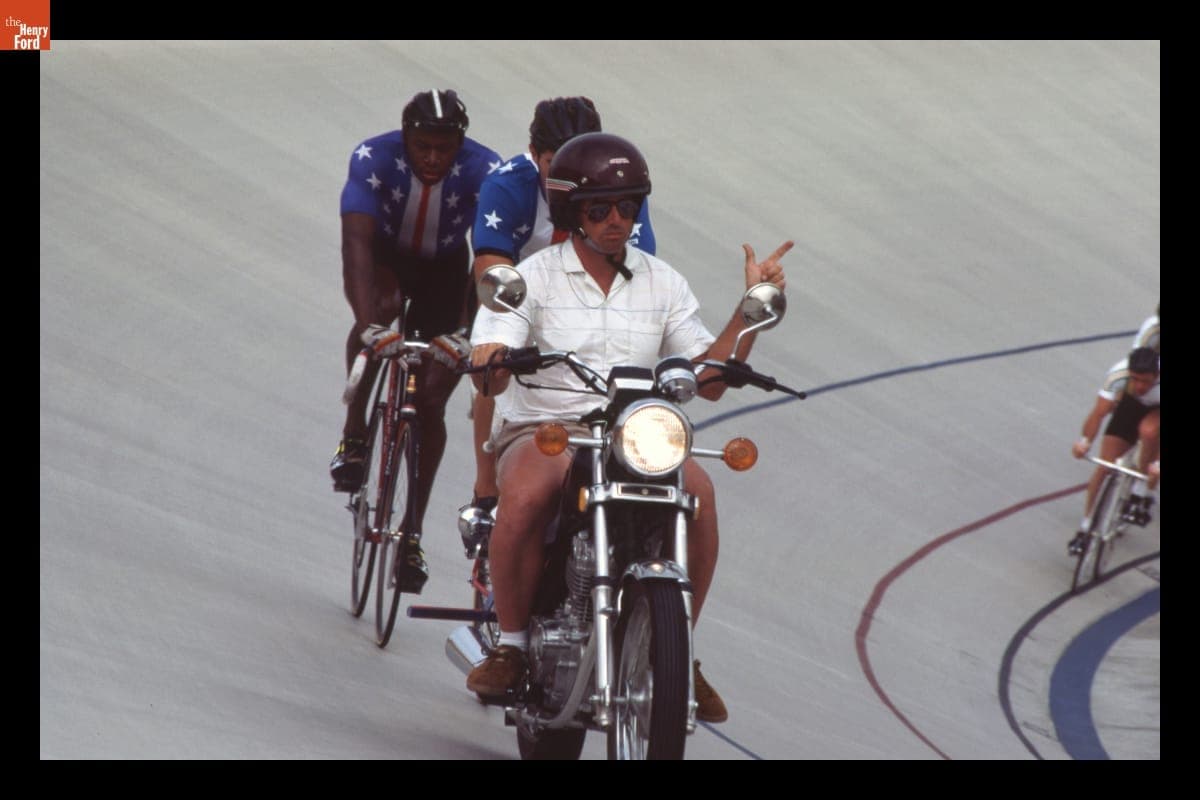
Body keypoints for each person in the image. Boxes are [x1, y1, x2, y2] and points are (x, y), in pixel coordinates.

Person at [464, 131, 793, 723]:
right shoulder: (533, 277)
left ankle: (676, 648)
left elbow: (708, 375)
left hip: (634, 432)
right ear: (572, 211)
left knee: (701, 495)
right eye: (600, 208)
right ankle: (511, 647)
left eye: (628, 206)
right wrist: (490, 356)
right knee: (529, 494)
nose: (617, 219)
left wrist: (749, 312)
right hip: (548, 425)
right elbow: (496, 344)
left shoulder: (663, 281)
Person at [330, 89, 502, 592]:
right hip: (387, 263)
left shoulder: (484, 170)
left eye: (443, 148)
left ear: (460, 145)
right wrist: (368, 326)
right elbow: (355, 246)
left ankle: (411, 535)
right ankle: (355, 434)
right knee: (379, 313)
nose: (431, 158)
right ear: (405, 138)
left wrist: (468, 335)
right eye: (422, 146)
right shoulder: (373, 158)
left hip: (446, 274)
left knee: (430, 402)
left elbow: (489, 259)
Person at [461, 97, 656, 522]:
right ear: (534, 156)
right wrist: (502, 337)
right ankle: (485, 492)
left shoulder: (616, 192)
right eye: (555, 163)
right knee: (495, 366)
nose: (571, 178)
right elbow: (492, 279)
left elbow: (635, 282)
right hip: (517, 298)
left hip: (583, 306)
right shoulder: (507, 186)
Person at [1068, 346, 1160, 554]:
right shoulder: (1118, 375)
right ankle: (1085, 527)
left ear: (1157, 375)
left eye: (1146, 381)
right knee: (1105, 465)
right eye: (1135, 379)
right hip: (1131, 405)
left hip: (1157, 412)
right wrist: (1084, 442)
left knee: (1149, 432)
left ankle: (1141, 491)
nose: (1140, 386)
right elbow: (1098, 413)